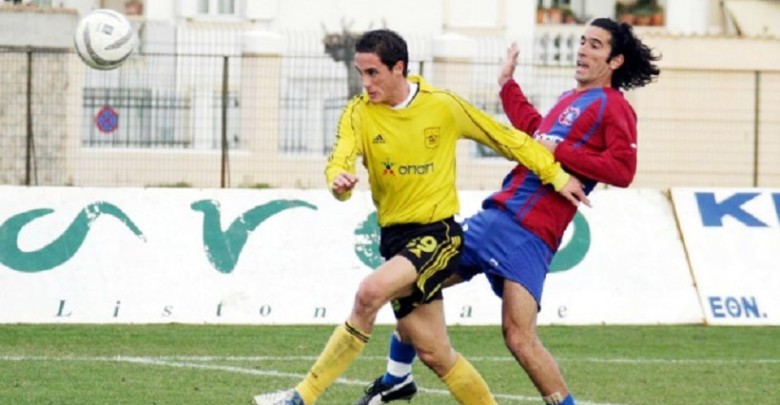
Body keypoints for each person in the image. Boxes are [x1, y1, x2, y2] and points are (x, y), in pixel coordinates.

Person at [252, 28, 590, 405]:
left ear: (399, 68)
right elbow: (339, 161)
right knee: (435, 354)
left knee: (369, 293)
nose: (365, 83)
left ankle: (301, 397)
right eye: (361, 73)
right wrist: (339, 182)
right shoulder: (358, 113)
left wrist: (556, 175)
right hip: (394, 240)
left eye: (373, 73)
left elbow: (506, 139)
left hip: (437, 234)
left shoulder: (442, 105)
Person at [354, 17, 661, 405]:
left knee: (519, 337)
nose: (582, 49)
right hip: (494, 218)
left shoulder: (613, 106)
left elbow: (622, 170)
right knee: (414, 283)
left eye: (595, 45)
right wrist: (507, 85)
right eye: (582, 41)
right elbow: (533, 136)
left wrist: (559, 151)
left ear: (615, 61)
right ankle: (396, 378)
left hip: (530, 234)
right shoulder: (570, 98)